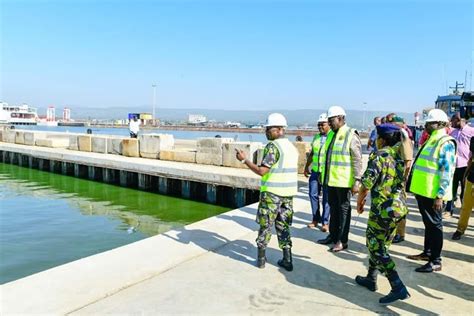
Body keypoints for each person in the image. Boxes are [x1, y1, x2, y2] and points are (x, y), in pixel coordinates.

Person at [235, 113, 298, 271]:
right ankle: (287, 260)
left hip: (272, 193)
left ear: (278, 129)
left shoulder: (273, 146)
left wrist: (244, 160)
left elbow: (263, 171)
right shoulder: (291, 147)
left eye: (268, 129)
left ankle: (261, 260)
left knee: (266, 226)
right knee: (283, 226)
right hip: (288, 195)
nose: (266, 132)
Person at [355, 124, 410, 305]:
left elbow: (366, 184)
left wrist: (360, 201)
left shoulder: (379, 156)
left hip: (383, 211)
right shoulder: (400, 155)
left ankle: (397, 286)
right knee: (381, 244)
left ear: (382, 139)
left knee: (375, 246)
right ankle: (371, 278)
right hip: (398, 209)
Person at [406, 109, 456, 273]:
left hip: (434, 193)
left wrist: (440, 195)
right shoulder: (432, 140)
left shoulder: (445, 142)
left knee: (435, 226)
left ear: (440, 124)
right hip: (424, 191)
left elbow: (446, 171)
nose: (426, 125)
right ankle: (427, 253)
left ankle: (436, 260)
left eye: (430, 123)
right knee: (429, 225)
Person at [317, 105, 363, 252]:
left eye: (332, 120)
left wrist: (357, 180)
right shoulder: (331, 134)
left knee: (343, 212)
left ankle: (342, 241)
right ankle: (333, 235)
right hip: (330, 181)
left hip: (344, 182)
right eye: (329, 121)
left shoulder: (351, 134)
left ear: (341, 118)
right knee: (334, 211)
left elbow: (357, 159)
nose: (329, 123)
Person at [303, 113, 331, 232]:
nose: (320, 126)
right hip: (315, 172)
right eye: (318, 124)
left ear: (329, 124)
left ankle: (325, 222)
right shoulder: (316, 137)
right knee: (313, 195)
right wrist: (306, 166)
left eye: (322, 124)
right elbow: (312, 153)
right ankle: (315, 218)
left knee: (326, 198)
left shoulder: (332, 137)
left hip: (326, 173)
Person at [389, 116, 414, 244]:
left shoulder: (403, 136)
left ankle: (400, 233)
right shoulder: (396, 135)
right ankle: (394, 232)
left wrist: (403, 178)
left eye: (393, 124)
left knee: (399, 206)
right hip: (393, 177)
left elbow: (408, 160)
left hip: (399, 178)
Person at [444, 114, 474, 217]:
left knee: (465, 190)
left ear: (459, 120)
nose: (451, 123)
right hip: (453, 165)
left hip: (466, 165)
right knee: (452, 188)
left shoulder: (471, 131)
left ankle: (464, 210)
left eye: (453, 121)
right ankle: (449, 209)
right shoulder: (453, 132)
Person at [452, 137, 474, 240]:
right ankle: (460, 229)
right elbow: (471, 159)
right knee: (466, 207)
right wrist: (465, 175)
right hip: (472, 179)